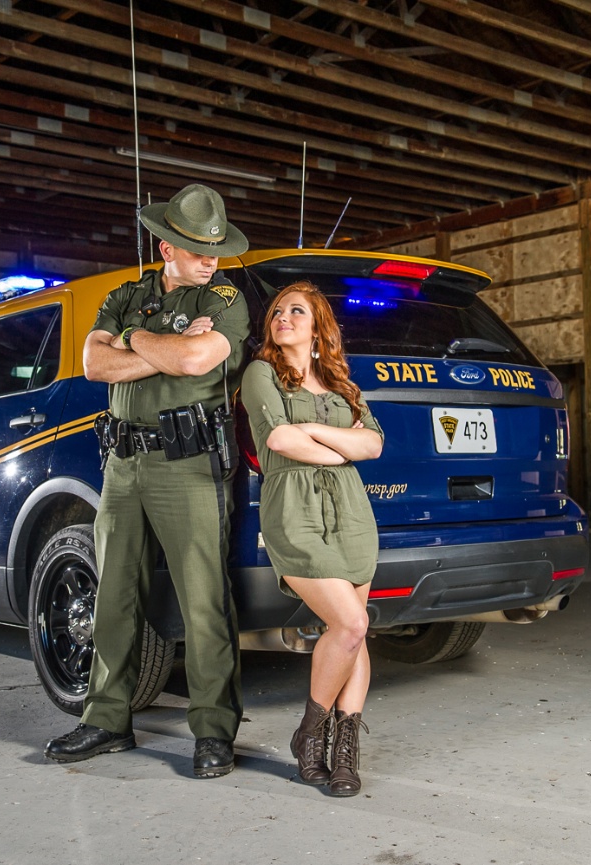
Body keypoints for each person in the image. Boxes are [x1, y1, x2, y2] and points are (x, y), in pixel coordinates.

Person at [44, 184, 251, 778]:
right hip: (121, 464)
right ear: (166, 247)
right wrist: (165, 343)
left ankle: (213, 733)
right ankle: (107, 720)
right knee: (113, 595)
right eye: (197, 250)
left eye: (215, 250)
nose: (210, 260)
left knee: (203, 599)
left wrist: (134, 340)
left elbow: (194, 361)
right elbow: (94, 364)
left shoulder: (226, 298)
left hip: (187, 464)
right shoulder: (125, 295)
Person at [239, 281, 384, 796]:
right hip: (293, 507)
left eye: (296, 311)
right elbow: (279, 437)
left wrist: (316, 434)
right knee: (350, 622)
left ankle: (343, 752)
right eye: (278, 311)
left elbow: (374, 443)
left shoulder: (342, 384)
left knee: (354, 634)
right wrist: (342, 448)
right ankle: (310, 732)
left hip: (352, 512)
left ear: (319, 327)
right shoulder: (261, 373)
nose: (283, 317)